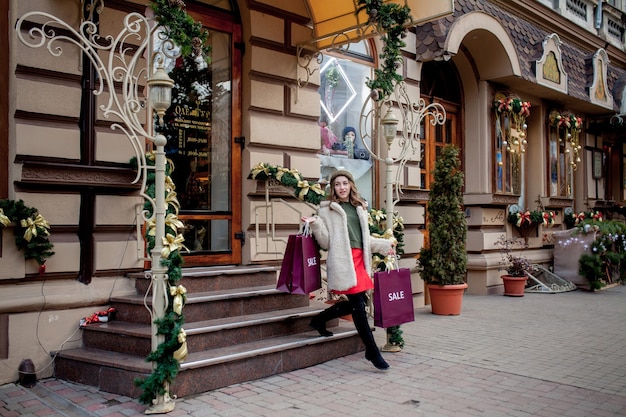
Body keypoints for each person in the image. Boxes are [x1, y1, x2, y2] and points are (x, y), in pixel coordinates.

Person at [302, 169, 394, 370]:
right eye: (337, 184)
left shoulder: (359, 207)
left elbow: (364, 239)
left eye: (344, 183)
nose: (341, 187)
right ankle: (372, 351)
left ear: (351, 184)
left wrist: (384, 246)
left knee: (359, 303)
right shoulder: (327, 210)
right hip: (344, 260)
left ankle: (319, 320)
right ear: (332, 188)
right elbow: (326, 242)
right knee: (358, 306)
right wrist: (316, 223)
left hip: (361, 260)